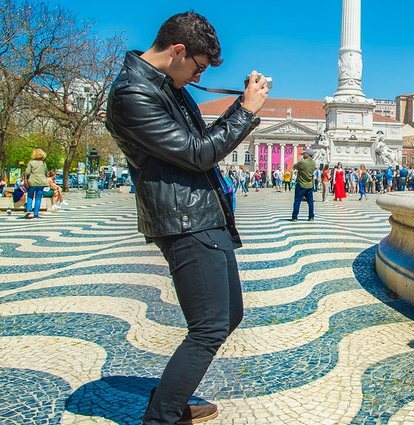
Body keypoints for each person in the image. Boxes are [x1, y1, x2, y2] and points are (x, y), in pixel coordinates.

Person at [104, 11, 268, 424]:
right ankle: (162, 416)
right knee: (210, 326)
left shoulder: (165, 87)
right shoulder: (132, 94)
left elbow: (195, 144)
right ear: (178, 50)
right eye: (196, 67)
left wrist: (238, 108)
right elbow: (197, 154)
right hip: (183, 221)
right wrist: (245, 111)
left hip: (202, 214)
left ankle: (169, 400)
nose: (196, 78)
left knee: (229, 316)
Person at [291, 149, 316, 221]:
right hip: (309, 185)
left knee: (297, 201)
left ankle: (294, 217)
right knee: (310, 202)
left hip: (301, 184)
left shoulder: (302, 162)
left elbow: (294, 166)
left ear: (307, 154)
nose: (303, 155)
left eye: (304, 154)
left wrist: (302, 160)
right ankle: (311, 216)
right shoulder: (313, 163)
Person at [24, 148, 48, 219]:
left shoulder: (31, 162)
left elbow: (27, 172)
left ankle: (28, 210)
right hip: (41, 182)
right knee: (38, 198)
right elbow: (46, 172)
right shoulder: (43, 163)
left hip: (32, 182)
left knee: (30, 196)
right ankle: (36, 214)